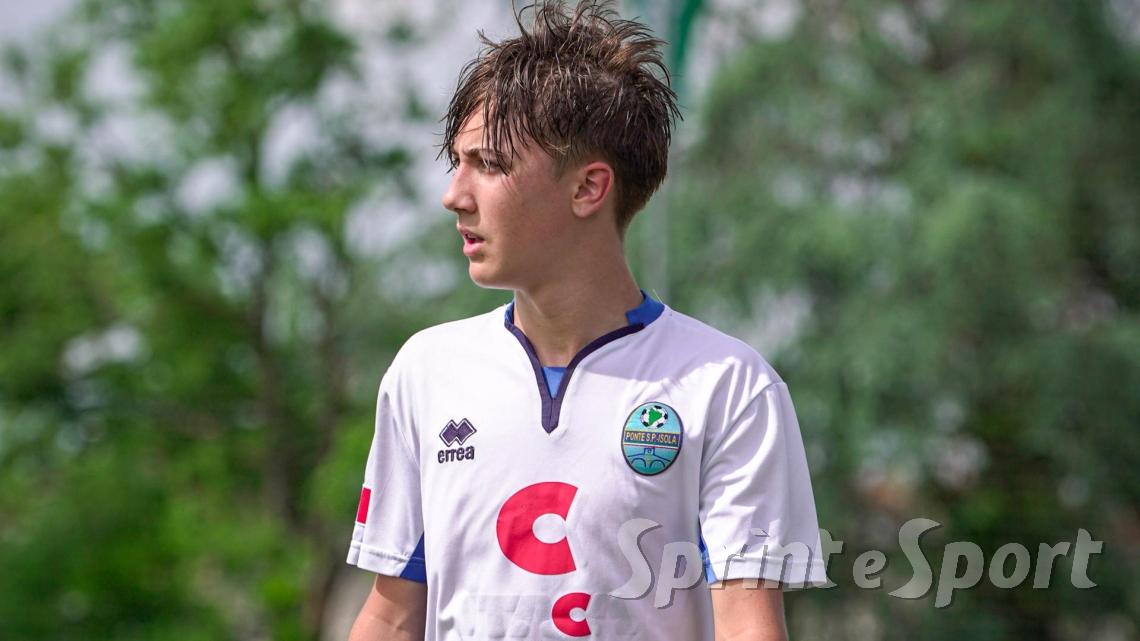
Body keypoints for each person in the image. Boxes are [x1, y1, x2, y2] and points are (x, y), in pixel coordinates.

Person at [346, 1, 825, 639]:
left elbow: (747, 626)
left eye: (489, 165)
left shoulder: (730, 387)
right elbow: (392, 615)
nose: (453, 195)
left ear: (588, 189)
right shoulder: (426, 371)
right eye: (457, 163)